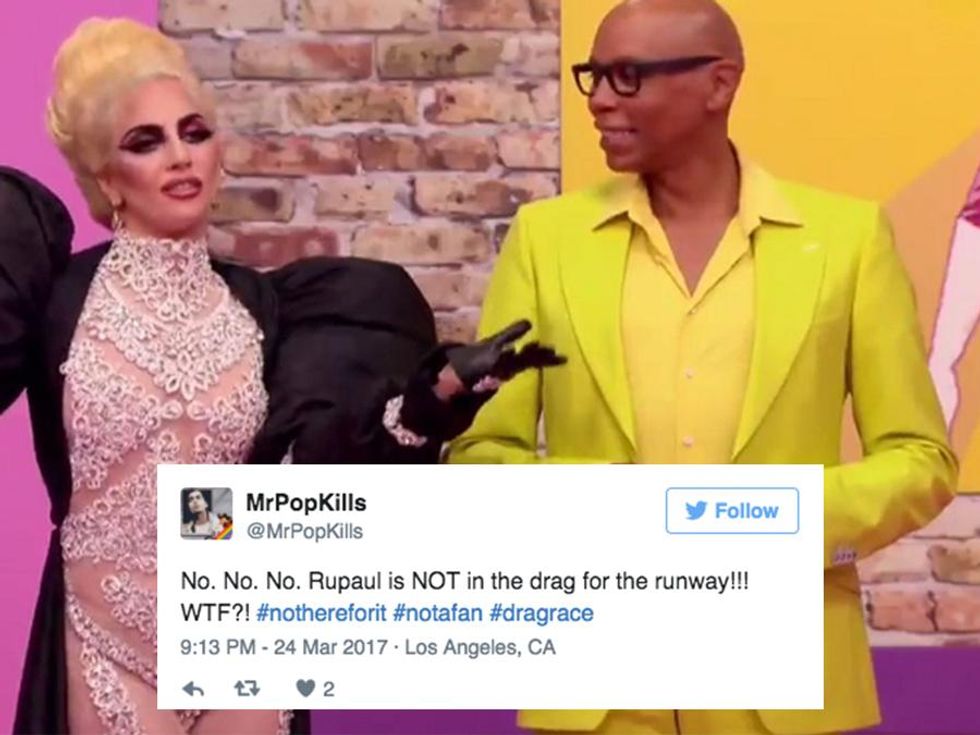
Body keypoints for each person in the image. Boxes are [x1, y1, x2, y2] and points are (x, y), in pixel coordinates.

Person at [3, 17, 562, 735]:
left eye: (195, 132)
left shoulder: (270, 309)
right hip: (103, 636)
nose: (180, 155)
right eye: (147, 141)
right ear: (107, 177)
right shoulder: (60, 299)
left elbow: (327, 467)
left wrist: (439, 396)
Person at [448, 0, 956, 733]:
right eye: (594, 75)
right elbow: (480, 455)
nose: (599, 99)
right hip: (599, 687)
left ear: (720, 83)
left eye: (628, 76)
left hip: (784, 686)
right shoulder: (544, 239)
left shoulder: (848, 240)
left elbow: (920, 459)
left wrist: (766, 526)